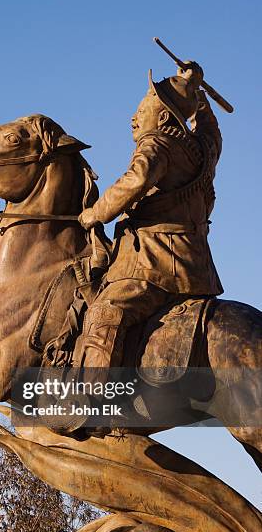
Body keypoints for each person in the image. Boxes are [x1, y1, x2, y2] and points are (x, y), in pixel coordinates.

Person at [74, 62, 223, 368]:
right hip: (199, 272)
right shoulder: (206, 150)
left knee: (105, 313)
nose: (133, 119)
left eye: (141, 112)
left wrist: (95, 214)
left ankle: (90, 401)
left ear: (164, 117)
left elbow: (137, 179)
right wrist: (196, 88)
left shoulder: (156, 143)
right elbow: (212, 130)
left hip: (154, 266)